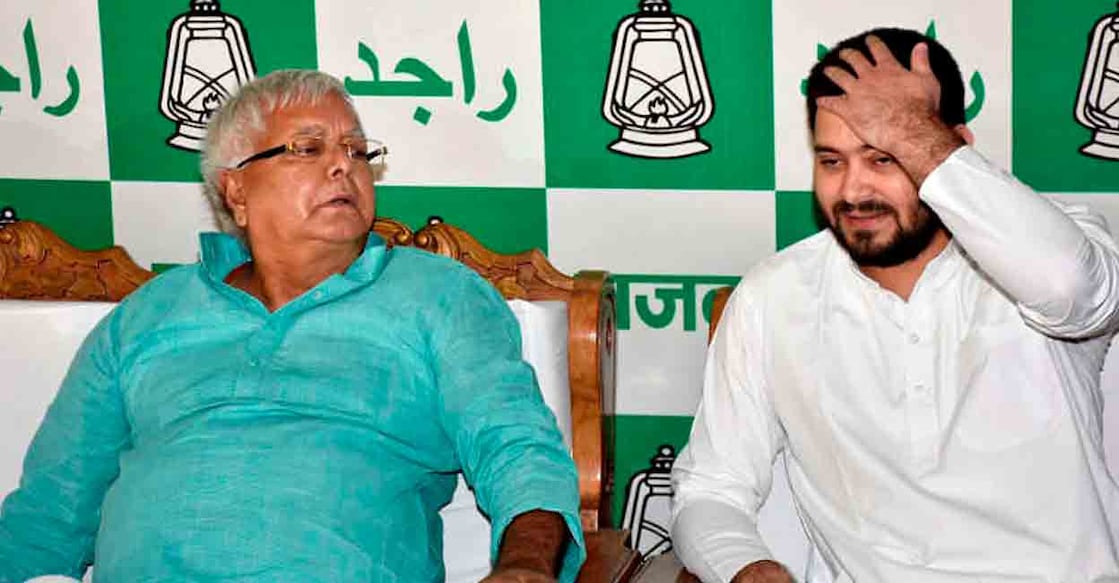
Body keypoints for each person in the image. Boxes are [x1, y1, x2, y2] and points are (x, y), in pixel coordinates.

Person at [0, 70, 584, 582]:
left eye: (358, 151)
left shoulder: (439, 296)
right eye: (307, 148)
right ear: (235, 190)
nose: (343, 166)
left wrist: (525, 565)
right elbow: (53, 508)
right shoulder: (146, 317)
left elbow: (517, 449)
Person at [671, 27, 1119, 582]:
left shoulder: (1054, 249)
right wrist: (747, 566)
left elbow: (1073, 289)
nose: (854, 191)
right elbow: (709, 487)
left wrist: (914, 133)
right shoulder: (774, 295)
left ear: (953, 149)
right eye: (832, 161)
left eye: (884, 159)